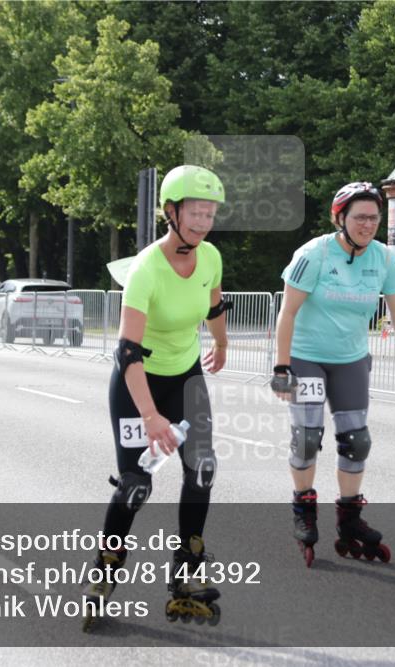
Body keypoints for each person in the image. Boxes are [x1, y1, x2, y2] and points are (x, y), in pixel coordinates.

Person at [82, 166, 230, 630]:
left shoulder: (209, 257)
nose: (204, 221)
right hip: (138, 384)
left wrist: (221, 343)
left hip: (184, 378)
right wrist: (150, 417)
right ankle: (104, 576)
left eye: (210, 213)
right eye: (196, 211)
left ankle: (185, 577)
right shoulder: (146, 269)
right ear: (171, 211)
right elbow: (128, 352)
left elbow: (214, 302)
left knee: (201, 471)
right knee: (136, 485)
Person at [271, 182, 395, 567]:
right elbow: (287, 312)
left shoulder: (383, 259)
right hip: (307, 357)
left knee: (357, 440)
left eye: (374, 218)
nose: (368, 225)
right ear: (339, 218)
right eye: (360, 217)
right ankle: (304, 509)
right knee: (307, 437)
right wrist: (282, 365)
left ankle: (350, 518)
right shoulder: (315, 254)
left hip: (351, 358)